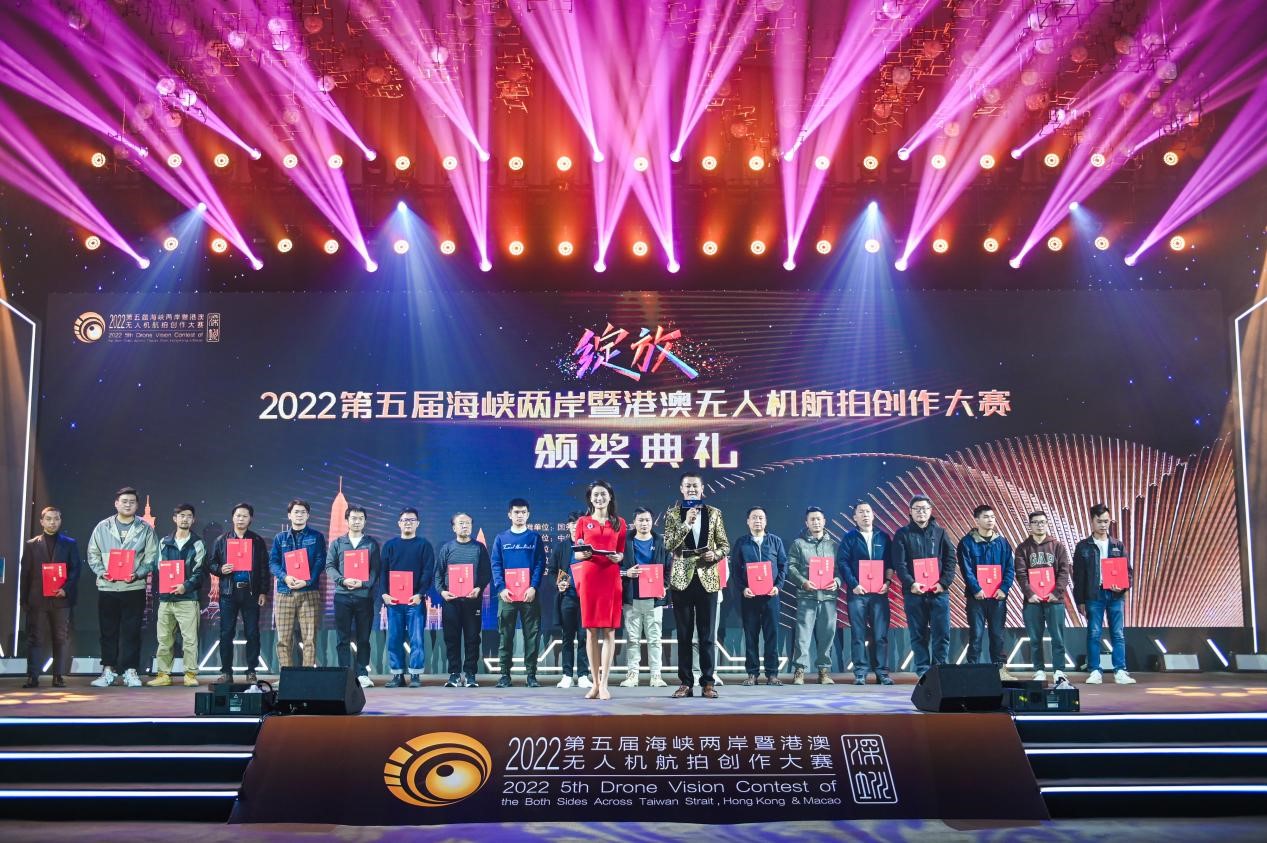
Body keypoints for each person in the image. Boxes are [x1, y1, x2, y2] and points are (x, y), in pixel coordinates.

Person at [663, 472, 729, 699]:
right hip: (681, 578)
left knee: (707, 635)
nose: (692, 489)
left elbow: (725, 545)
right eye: (688, 486)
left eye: (695, 486)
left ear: (702, 489)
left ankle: (708, 682)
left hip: (707, 577)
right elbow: (668, 544)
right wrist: (686, 523)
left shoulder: (714, 513)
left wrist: (716, 554)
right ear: (681, 489)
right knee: (684, 634)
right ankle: (686, 683)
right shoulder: (672, 514)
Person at [87, 486, 159, 688]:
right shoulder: (102, 527)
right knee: (108, 631)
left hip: (133, 587)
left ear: (137, 505)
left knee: (132, 631)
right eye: (124, 501)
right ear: (116, 503)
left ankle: (130, 670)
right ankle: (108, 670)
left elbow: (152, 556)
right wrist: (102, 571)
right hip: (108, 587)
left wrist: (139, 573)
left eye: (132, 502)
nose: (128, 505)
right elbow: (92, 553)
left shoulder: (145, 528)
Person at [891, 494, 957, 678]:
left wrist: (943, 583)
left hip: (939, 593)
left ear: (930, 511)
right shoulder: (902, 534)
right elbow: (900, 563)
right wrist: (911, 583)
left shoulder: (941, 533)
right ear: (910, 512)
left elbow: (951, 560)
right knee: (918, 633)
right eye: (917, 509)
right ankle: (922, 668)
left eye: (925, 508)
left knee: (941, 633)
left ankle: (939, 668)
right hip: (914, 593)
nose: (921, 512)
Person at [573, 480, 627, 701]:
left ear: (610, 496)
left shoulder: (620, 523)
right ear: (590, 498)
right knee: (591, 631)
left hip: (610, 577)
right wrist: (582, 554)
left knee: (609, 630)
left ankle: (604, 684)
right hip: (590, 576)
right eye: (595, 494)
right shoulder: (583, 522)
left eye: (603, 494)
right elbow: (577, 552)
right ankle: (594, 683)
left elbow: (621, 552)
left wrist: (618, 557)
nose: (599, 498)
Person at [207, 502, 269, 684]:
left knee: (252, 633)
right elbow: (210, 563)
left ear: (251, 519)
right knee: (226, 633)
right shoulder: (221, 540)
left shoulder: (257, 541)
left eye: (245, 516)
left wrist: (263, 591)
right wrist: (220, 569)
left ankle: (251, 671)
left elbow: (264, 568)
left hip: (251, 593)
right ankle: (226, 672)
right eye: (238, 515)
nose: (241, 519)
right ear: (232, 518)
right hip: (229, 593)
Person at [19, 506, 82, 688]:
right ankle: (33, 676)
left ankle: (58, 676)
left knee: (60, 638)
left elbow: (76, 569)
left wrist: (66, 589)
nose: (52, 522)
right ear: (42, 522)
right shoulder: (31, 544)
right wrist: (24, 600)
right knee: (35, 638)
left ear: (60, 521)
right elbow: (25, 574)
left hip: (61, 598)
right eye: (48, 519)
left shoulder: (69, 543)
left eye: (56, 519)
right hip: (37, 599)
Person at [1073, 503, 1135, 685]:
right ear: (1092, 521)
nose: (1103, 525)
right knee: (1094, 633)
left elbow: (1128, 572)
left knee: (1118, 633)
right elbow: (1078, 576)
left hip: (1115, 596)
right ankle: (1094, 670)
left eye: (1106, 521)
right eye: (1099, 521)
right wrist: (1080, 601)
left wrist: (1122, 587)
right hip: (1094, 595)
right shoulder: (1083, 546)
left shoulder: (1117, 545)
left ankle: (1120, 670)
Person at [491, 498, 547, 688]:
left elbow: (540, 564)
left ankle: (531, 675)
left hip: (529, 595)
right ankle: (504, 675)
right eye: (516, 512)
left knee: (531, 635)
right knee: (505, 636)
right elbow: (496, 564)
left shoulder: (534, 538)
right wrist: (501, 588)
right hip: (507, 596)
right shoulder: (501, 538)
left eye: (523, 512)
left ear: (528, 514)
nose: (520, 515)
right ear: (509, 514)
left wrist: (533, 587)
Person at [149, 504, 207, 687]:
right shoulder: (164, 542)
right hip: (166, 598)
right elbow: (159, 567)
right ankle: (163, 674)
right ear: (175, 518)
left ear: (193, 520)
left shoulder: (197, 543)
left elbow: (200, 571)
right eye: (181, 515)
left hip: (188, 599)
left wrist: (185, 586)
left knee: (190, 640)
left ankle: (190, 674)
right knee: (164, 639)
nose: (185, 519)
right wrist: (168, 585)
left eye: (189, 516)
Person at [729, 506, 787, 686]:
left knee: (772, 636)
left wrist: (778, 586)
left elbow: (783, 566)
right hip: (750, 597)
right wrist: (743, 588)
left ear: (766, 521)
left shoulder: (775, 541)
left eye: (761, 517)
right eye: (754, 517)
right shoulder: (741, 543)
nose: (758, 521)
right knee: (751, 636)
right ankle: (752, 674)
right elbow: (735, 570)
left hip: (771, 597)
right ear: (748, 521)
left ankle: (772, 674)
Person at [837, 502, 894, 686]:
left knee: (880, 635)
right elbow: (843, 562)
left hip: (879, 593)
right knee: (858, 634)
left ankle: (882, 673)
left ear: (873, 514)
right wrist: (853, 584)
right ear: (855, 517)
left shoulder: (883, 537)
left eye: (868, 511)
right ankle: (860, 673)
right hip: (857, 593)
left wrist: (887, 583)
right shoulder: (849, 538)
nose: (865, 515)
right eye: (861, 512)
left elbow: (890, 563)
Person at [957, 504, 1016, 680]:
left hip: (998, 598)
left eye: (992, 517)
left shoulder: (1002, 542)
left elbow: (1009, 568)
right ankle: (972, 671)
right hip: (976, 598)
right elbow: (966, 570)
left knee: (997, 634)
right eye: (986, 517)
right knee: (976, 634)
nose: (990, 520)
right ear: (976, 520)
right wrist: (976, 589)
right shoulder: (967, 543)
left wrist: (1004, 588)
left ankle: (1000, 669)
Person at [326, 504, 381, 689]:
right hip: (342, 596)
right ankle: (345, 674)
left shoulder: (371, 543)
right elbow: (329, 566)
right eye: (353, 518)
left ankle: (362, 673)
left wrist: (363, 583)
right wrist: (343, 580)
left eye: (360, 518)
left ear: (365, 521)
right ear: (347, 520)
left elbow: (375, 569)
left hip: (364, 597)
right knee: (343, 638)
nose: (357, 521)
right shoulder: (338, 543)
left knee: (363, 638)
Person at [267, 499, 326, 671]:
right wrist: (285, 577)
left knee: (309, 638)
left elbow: (320, 561)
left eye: (303, 512)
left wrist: (307, 581)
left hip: (309, 592)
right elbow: (273, 563)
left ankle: (307, 675)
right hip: (285, 592)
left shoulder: (316, 536)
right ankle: (287, 675)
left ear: (308, 515)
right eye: (296, 512)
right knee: (283, 639)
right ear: (289, 515)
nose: (299, 515)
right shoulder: (280, 538)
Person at [1014, 510, 1072, 683]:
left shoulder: (1057, 546)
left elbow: (1064, 571)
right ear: (1030, 525)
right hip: (1032, 601)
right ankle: (1039, 669)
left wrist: (1056, 592)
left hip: (1055, 600)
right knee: (1035, 638)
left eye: (1043, 522)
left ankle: (1059, 670)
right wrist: (1029, 594)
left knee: (1058, 638)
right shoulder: (1023, 548)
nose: (1040, 525)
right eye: (1036, 522)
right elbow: (1021, 573)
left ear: (1047, 524)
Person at [381, 508, 435, 688]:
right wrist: (384, 594)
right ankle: (397, 675)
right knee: (394, 638)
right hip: (394, 601)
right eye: (405, 520)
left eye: (412, 520)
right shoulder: (390, 545)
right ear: (399, 523)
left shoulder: (424, 545)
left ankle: (415, 675)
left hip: (415, 601)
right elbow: (383, 572)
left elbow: (428, 572)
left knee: (417, 639)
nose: (408, 523)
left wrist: (420, 594)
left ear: (417, 523)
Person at [437, 512, 492, 688]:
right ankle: (454, 674)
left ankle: (470, 674)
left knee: (472, 638)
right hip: (451, 602)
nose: (465, 526)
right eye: (461, 523)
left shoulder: (479, 548)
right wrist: (442, 592)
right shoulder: (446, 548)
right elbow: (438, 574)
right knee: (451, 638)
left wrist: (479, 588)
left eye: (468, 523)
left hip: (472, 601)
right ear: (454, 527)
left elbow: (486, 573)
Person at [786, 507, 839, 685]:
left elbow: (840, 569)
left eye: (818, 519)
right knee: (803, 635)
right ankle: (799, 671)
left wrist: (837, 581)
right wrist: (803, 582)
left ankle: (823, 672)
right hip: (806, 596)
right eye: (812, 519)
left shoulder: (833, 545)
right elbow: (791, 567)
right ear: (806, 523)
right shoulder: (798, 544)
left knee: (827, 634)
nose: (816, 522)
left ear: (824, 522)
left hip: (828, 598)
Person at [619, 508, 670, 688]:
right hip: (631, 598)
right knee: (632, 639)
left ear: (652, 522)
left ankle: (656, 675)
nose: (644, 523)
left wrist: (664, 586)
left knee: (655, 639)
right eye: (640, 520)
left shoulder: (661, 541)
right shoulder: (625, 542)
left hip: (654, 599)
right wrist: (626, 573)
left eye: (647, 520)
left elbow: (669, 567)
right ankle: (632, 675)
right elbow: (614, 567)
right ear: (634, 522)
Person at [551, 512, 592, 690]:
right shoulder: (562, 547)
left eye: (579, 523)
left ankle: (583, 675)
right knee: (567, 636)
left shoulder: (589, 547)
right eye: (572, 524)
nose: (575, 526)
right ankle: (567, 675)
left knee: (584, 637)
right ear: (568, 526)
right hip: (568, 597)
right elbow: (553, 570)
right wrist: (559, 583)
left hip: (587, 598)